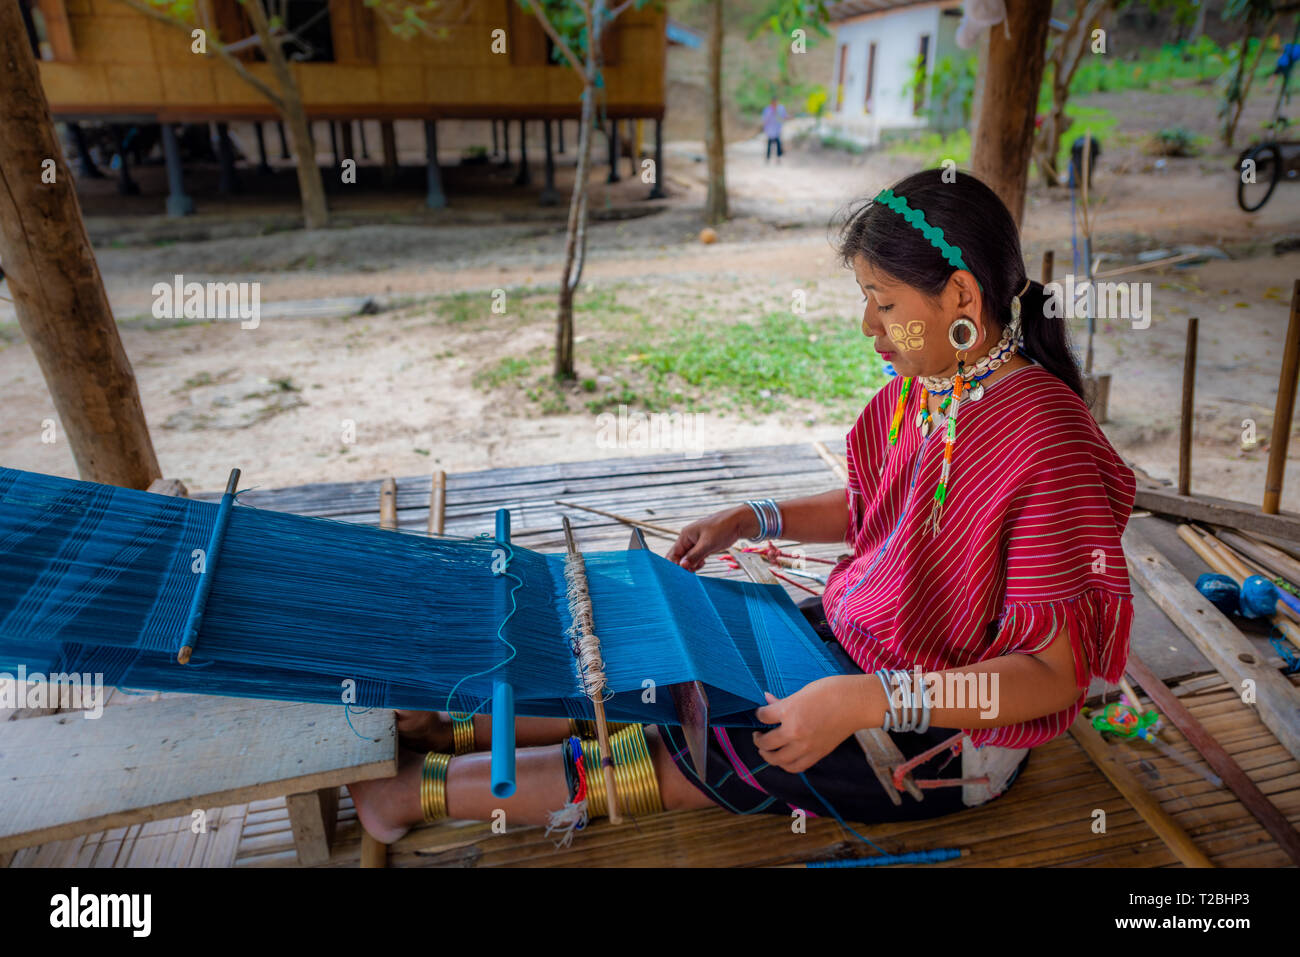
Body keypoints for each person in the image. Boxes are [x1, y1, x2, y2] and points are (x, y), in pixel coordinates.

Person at [348, 168, 1136, 842]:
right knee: (672, 668)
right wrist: (750, 517)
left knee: (697, 748)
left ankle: (408, 795)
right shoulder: (927, 393)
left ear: (959, 293)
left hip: (944, 739)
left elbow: (1051, 676)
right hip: (857, 652)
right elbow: (871, 508)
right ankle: (452, 725)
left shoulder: (1045, 442)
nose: (868, 325)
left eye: (883, 301)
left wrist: (867, 698)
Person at [762, 96, 788, 163]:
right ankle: (768, 158)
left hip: (777, 129)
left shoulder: (781, 109)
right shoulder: (767, 110)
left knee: (778, 144)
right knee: (770, 144)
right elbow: (765, 119)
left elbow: (784, 116)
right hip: (770, 130)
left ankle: (778, 158)